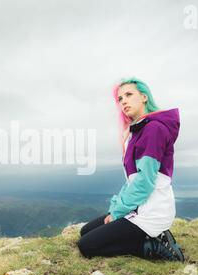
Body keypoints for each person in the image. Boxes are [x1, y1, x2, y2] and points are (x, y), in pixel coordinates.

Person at [77, 77, 185, 262]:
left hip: (152, 211)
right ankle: (152, 236)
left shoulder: (154, 130)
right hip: (138, 207)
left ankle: (154, 246)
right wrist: (116, 209)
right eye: (120, 99)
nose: (123, 101)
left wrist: (117, 213)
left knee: (87, 246)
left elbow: (144, 182)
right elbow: (132, 181)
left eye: (128, 94)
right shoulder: (137, 132)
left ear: (144, 97)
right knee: (85, 231)